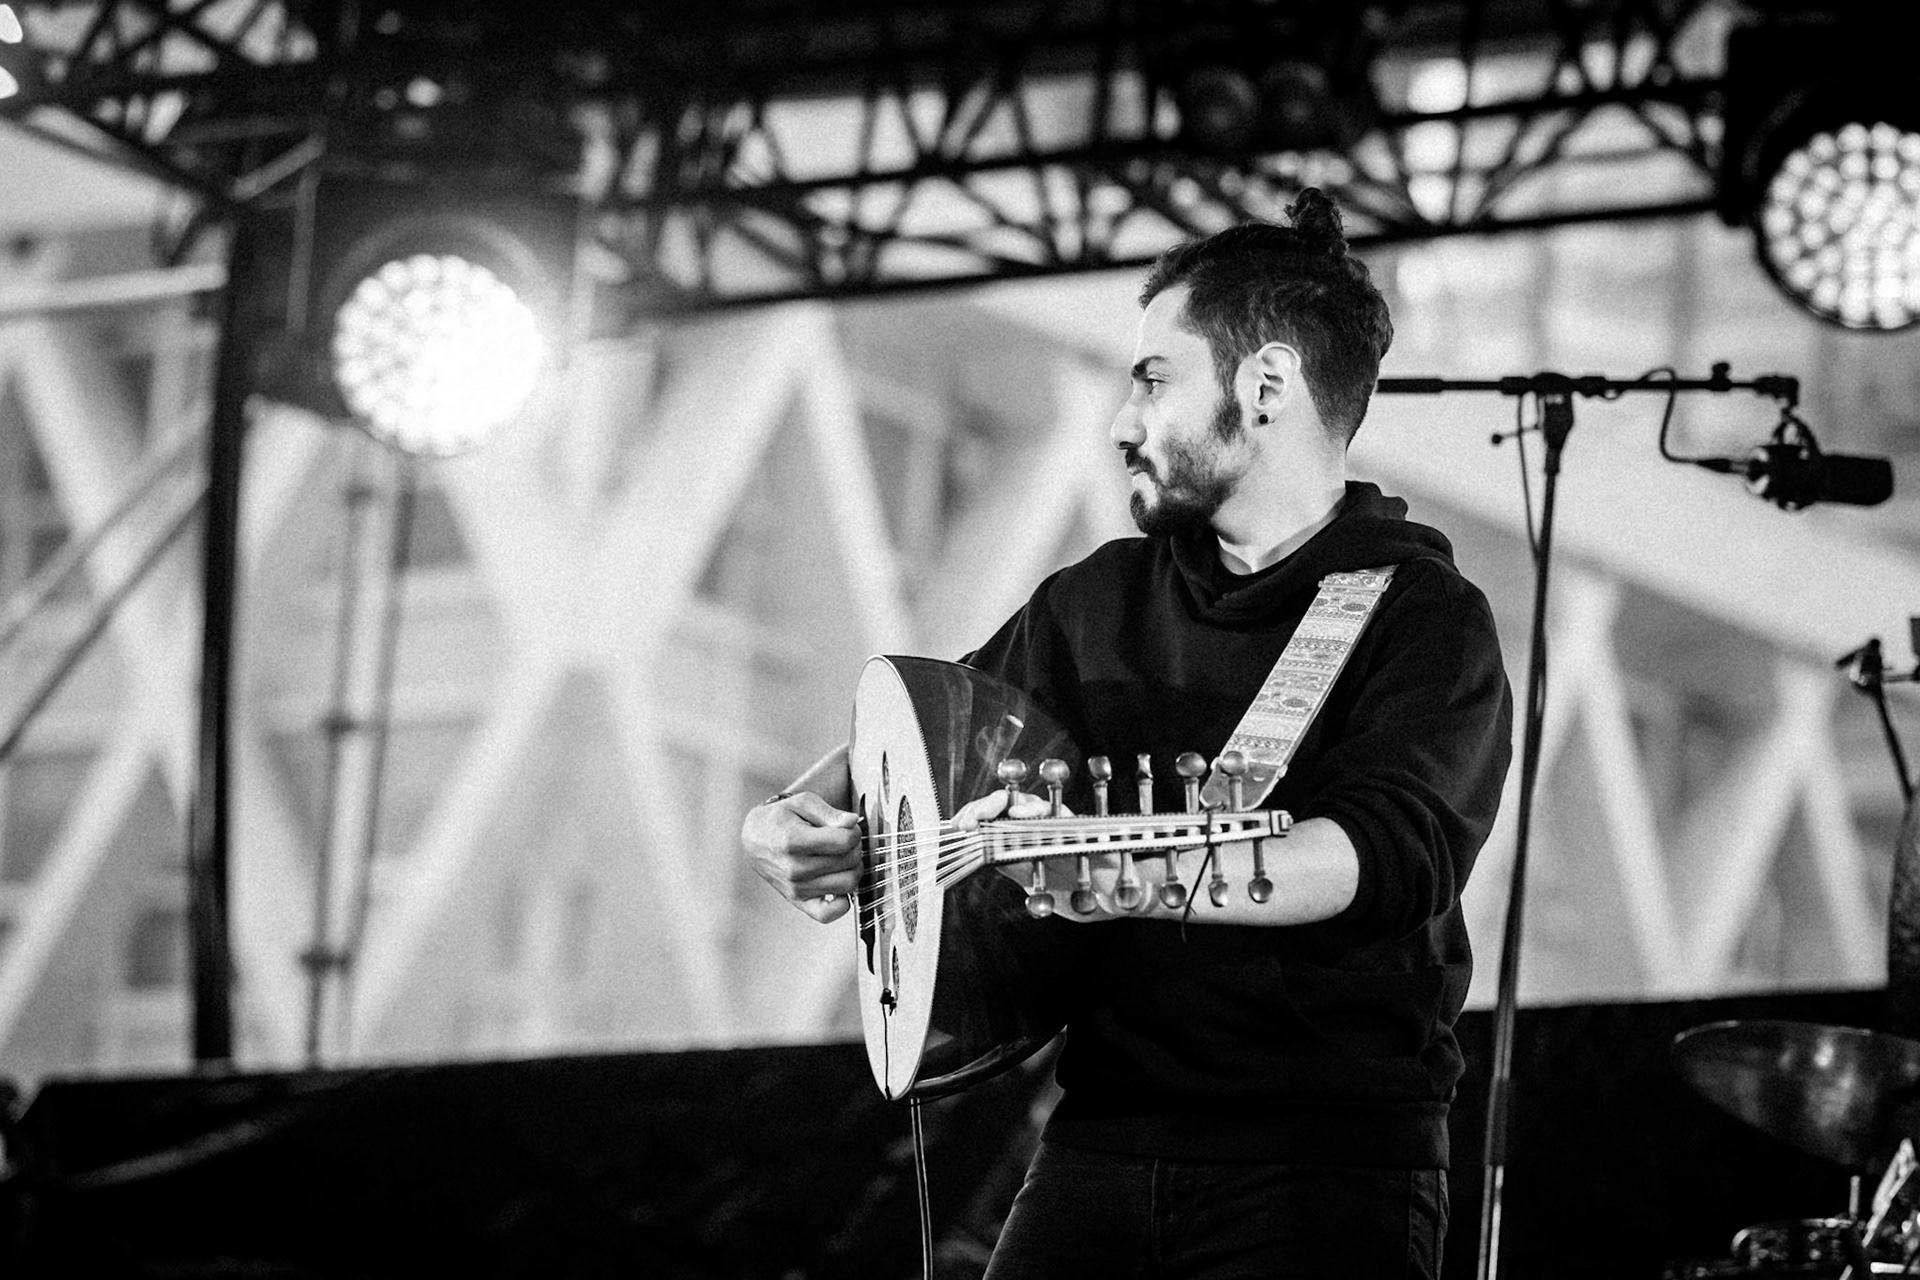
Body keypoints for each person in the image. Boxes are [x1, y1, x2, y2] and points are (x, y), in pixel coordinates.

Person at [741, 188, 1513, 1278]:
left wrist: (1112, 877)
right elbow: (921, 734)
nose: (1122, 418)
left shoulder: (1422, 615)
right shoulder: (1098, 597)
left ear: (1269, 383)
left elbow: (1382, 853)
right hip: (1105, 1134)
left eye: (1154, 378)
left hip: (1326, 1159)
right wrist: (788, 818)